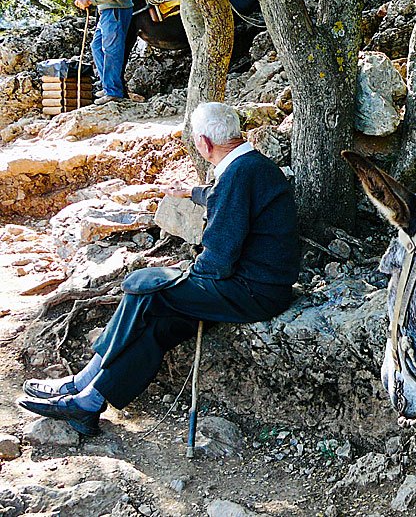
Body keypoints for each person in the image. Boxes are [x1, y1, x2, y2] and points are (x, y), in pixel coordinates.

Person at [17, 102, 300, 436]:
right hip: (263, 287)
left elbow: (219, 259)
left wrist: (185, 275)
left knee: (146, 289)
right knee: (157, 324)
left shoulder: (238, 176)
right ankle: (89, 400)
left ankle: (82, 384)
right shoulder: (253, 166)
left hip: (252, 292)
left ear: (204, 144)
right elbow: (231, 203)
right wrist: (194, 193)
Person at [74, 0, 133, 105]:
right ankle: (109, 87)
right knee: (97, 46)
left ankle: (113, 91)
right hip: (106, 12)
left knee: (111, 50)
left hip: (116, 11)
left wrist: (89, 0)